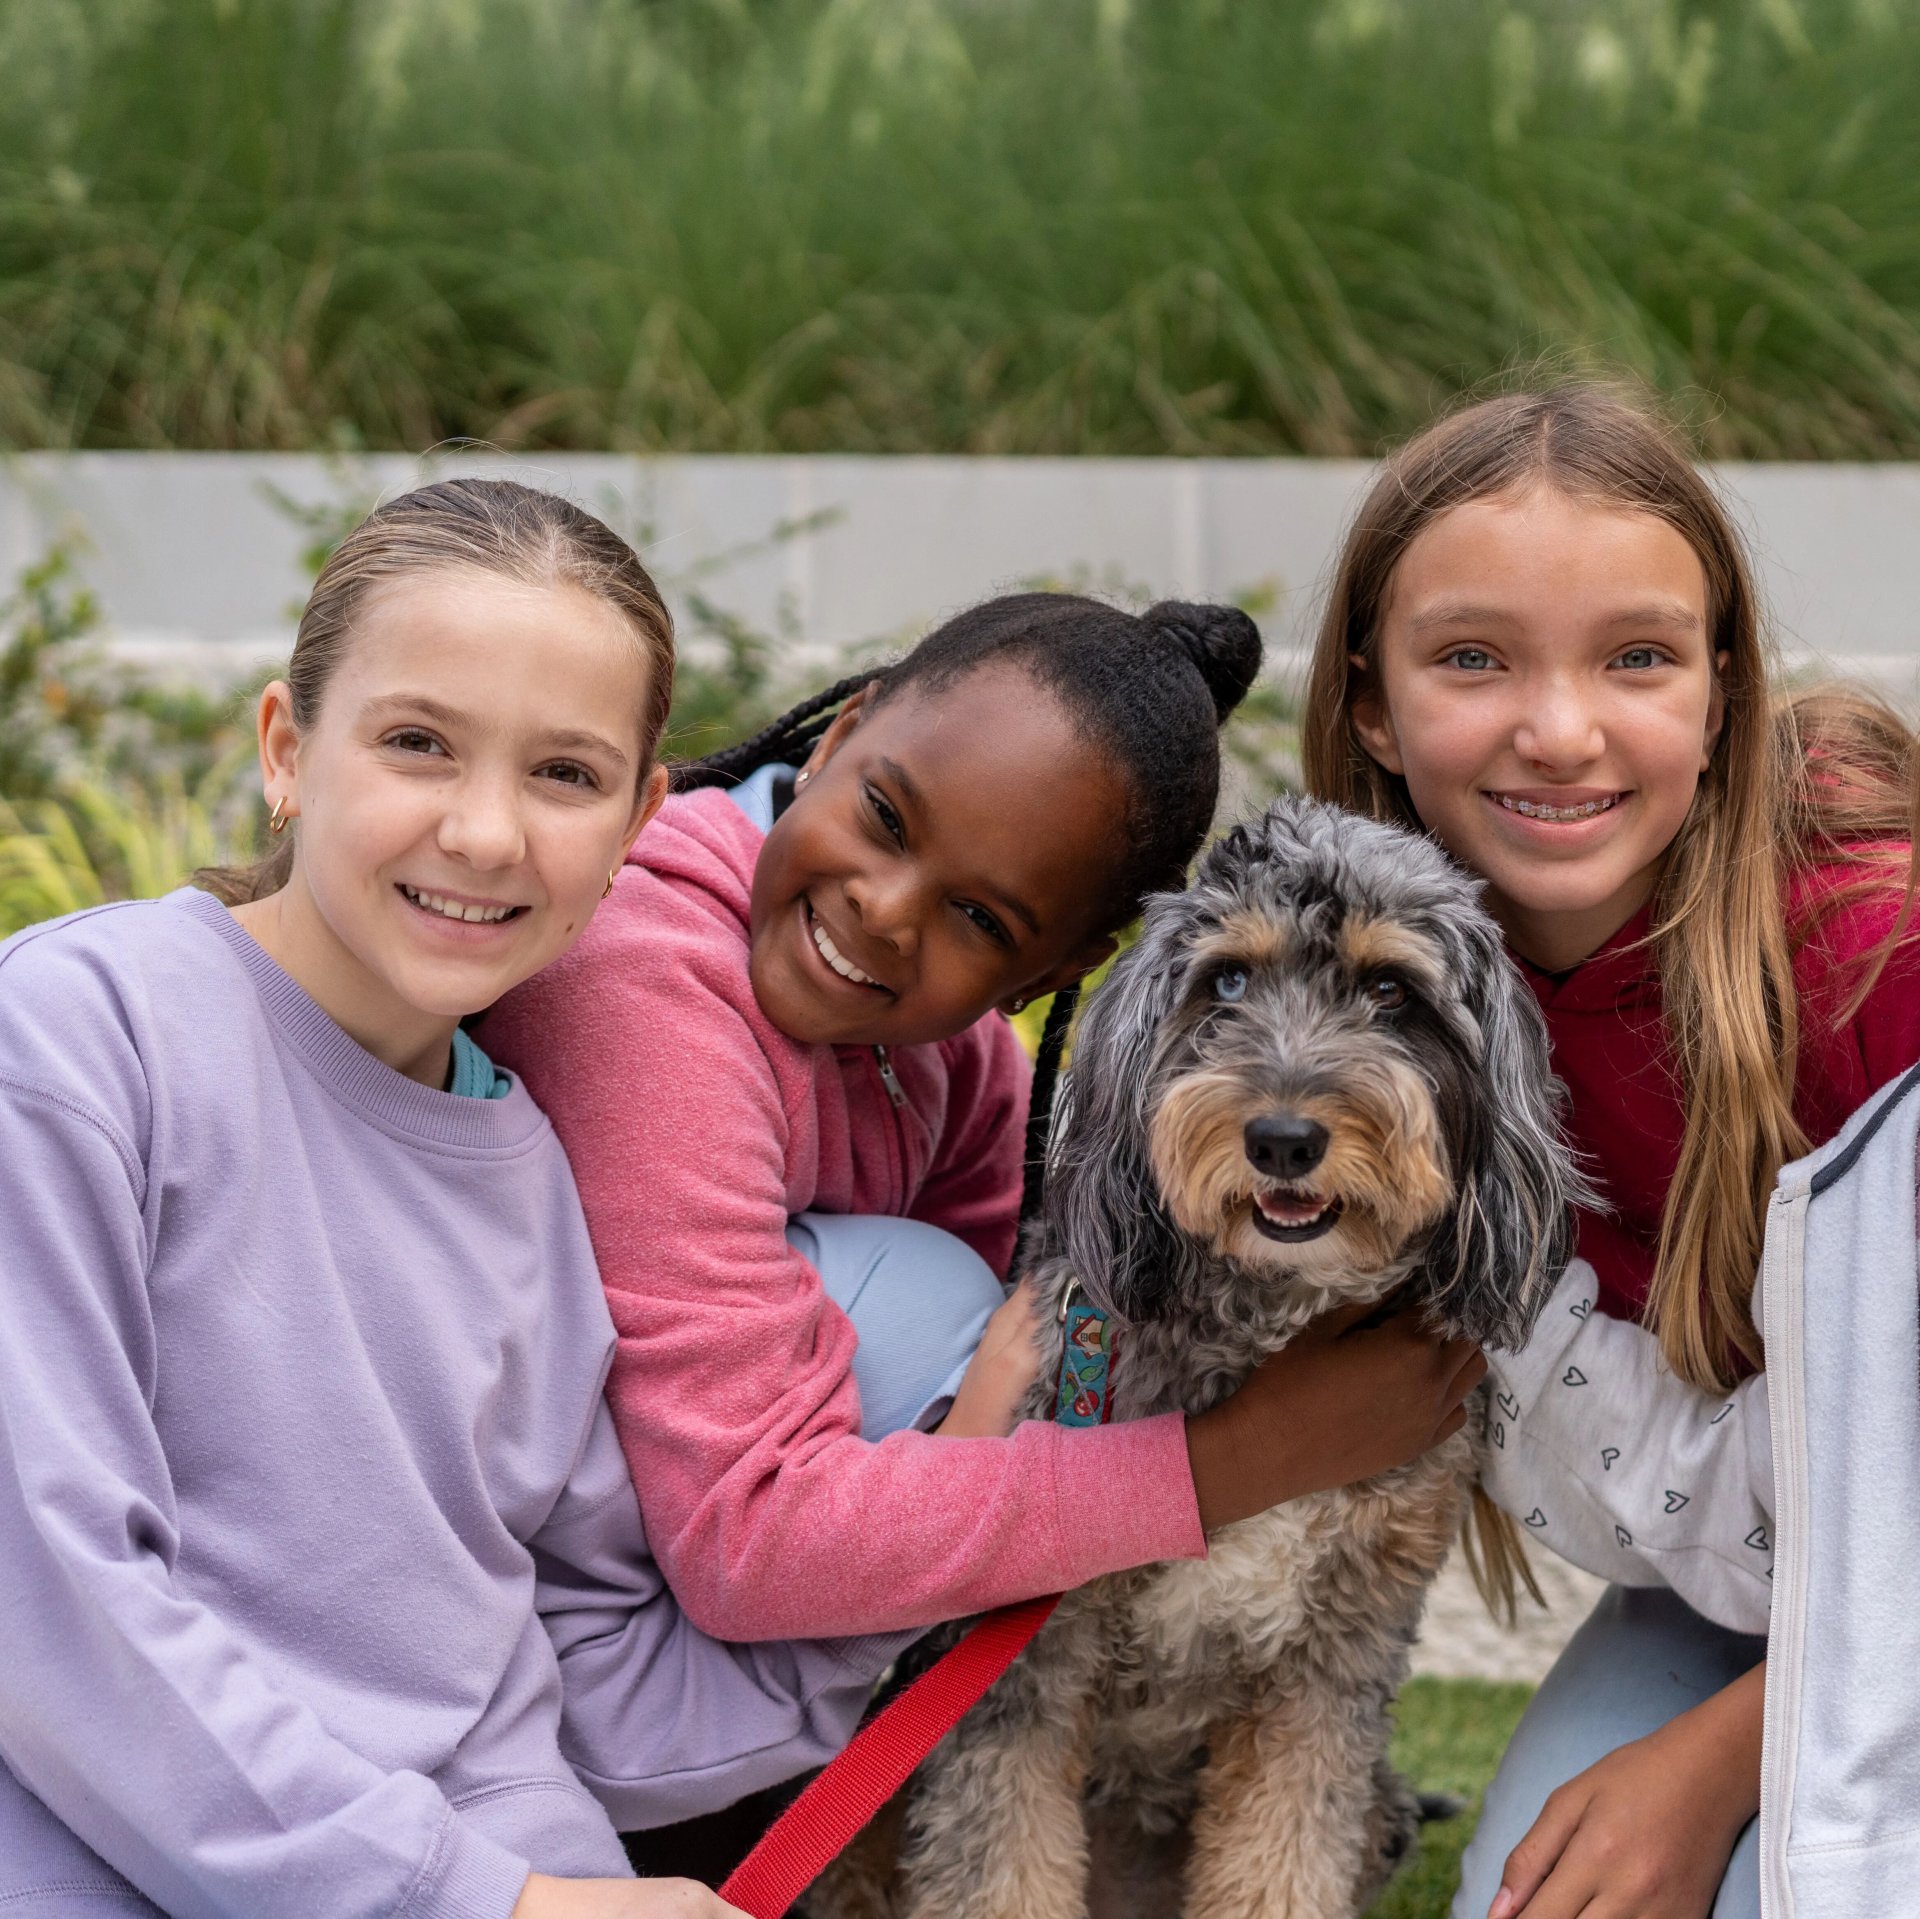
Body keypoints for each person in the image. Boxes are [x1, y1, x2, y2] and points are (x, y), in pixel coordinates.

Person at [0, 478, 922, 1919]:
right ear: (287, 751)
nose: (486, 832)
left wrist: (937, 1533)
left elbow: (583, 1679)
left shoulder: (532, 1175)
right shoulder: (77, 1036)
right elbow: (50, 1600)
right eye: (419, 743)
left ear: (636, 821)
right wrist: (492, 1902)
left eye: (564, 775)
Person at [480, 591, 1490, 1667]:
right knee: (931, 1308)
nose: (885, 908)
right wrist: (1235, 1461)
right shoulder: (642, 985)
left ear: (1048, 977)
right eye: (886, 815)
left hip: (676, 1550)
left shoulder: (943, 1052)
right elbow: (749, 1536)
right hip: (526, 1612)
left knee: (1008, 1322)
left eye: (979, 918)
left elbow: (1009, 1347)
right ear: (838, 733)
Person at [1300, 384, 1920, 1919]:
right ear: (1374, 703)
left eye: (1636, 657)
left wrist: (1722, 1760)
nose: (1560, 728)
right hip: (1760, 1576)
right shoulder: (1364, 993)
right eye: (1471, 658)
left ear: (1723, 688)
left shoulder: (1871, 961)